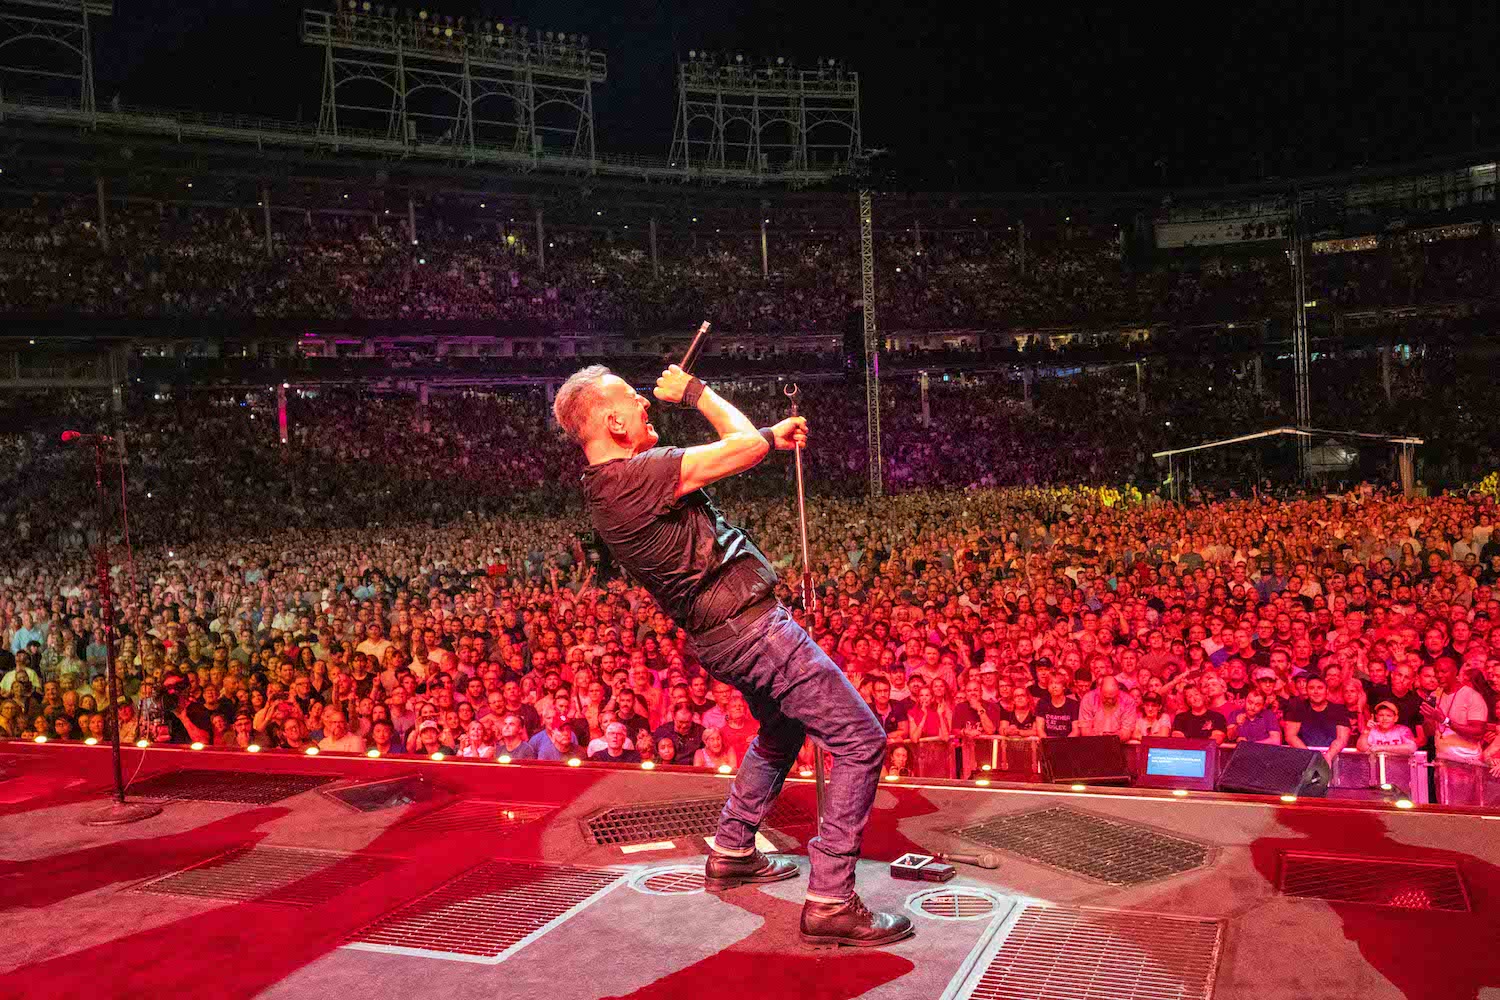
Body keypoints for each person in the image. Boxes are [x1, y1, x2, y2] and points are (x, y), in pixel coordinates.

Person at [557, 362, 911, 947]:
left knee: (782, 727)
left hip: (720, 635)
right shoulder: (635, 476)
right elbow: (743, 446)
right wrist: (696, 393)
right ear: (615, 422)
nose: (647, 404)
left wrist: (771, 436)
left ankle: (732, 848)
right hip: (754, 631)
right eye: (634, 399)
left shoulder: (608, 487)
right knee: (860, 739)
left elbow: (753, 441)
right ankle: (830, 899)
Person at [1284, 676, 1352, 764]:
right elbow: (1291, 736)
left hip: (1333, 758)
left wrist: (1328, 756)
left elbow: (1342, 739)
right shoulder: (1297, 708)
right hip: (1303, 758)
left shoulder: (1339, 710)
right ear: (1307, 691)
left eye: (1320, 688)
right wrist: (1310, 756)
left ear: (1327, 690)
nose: (1316, 692)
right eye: (1311, 688)